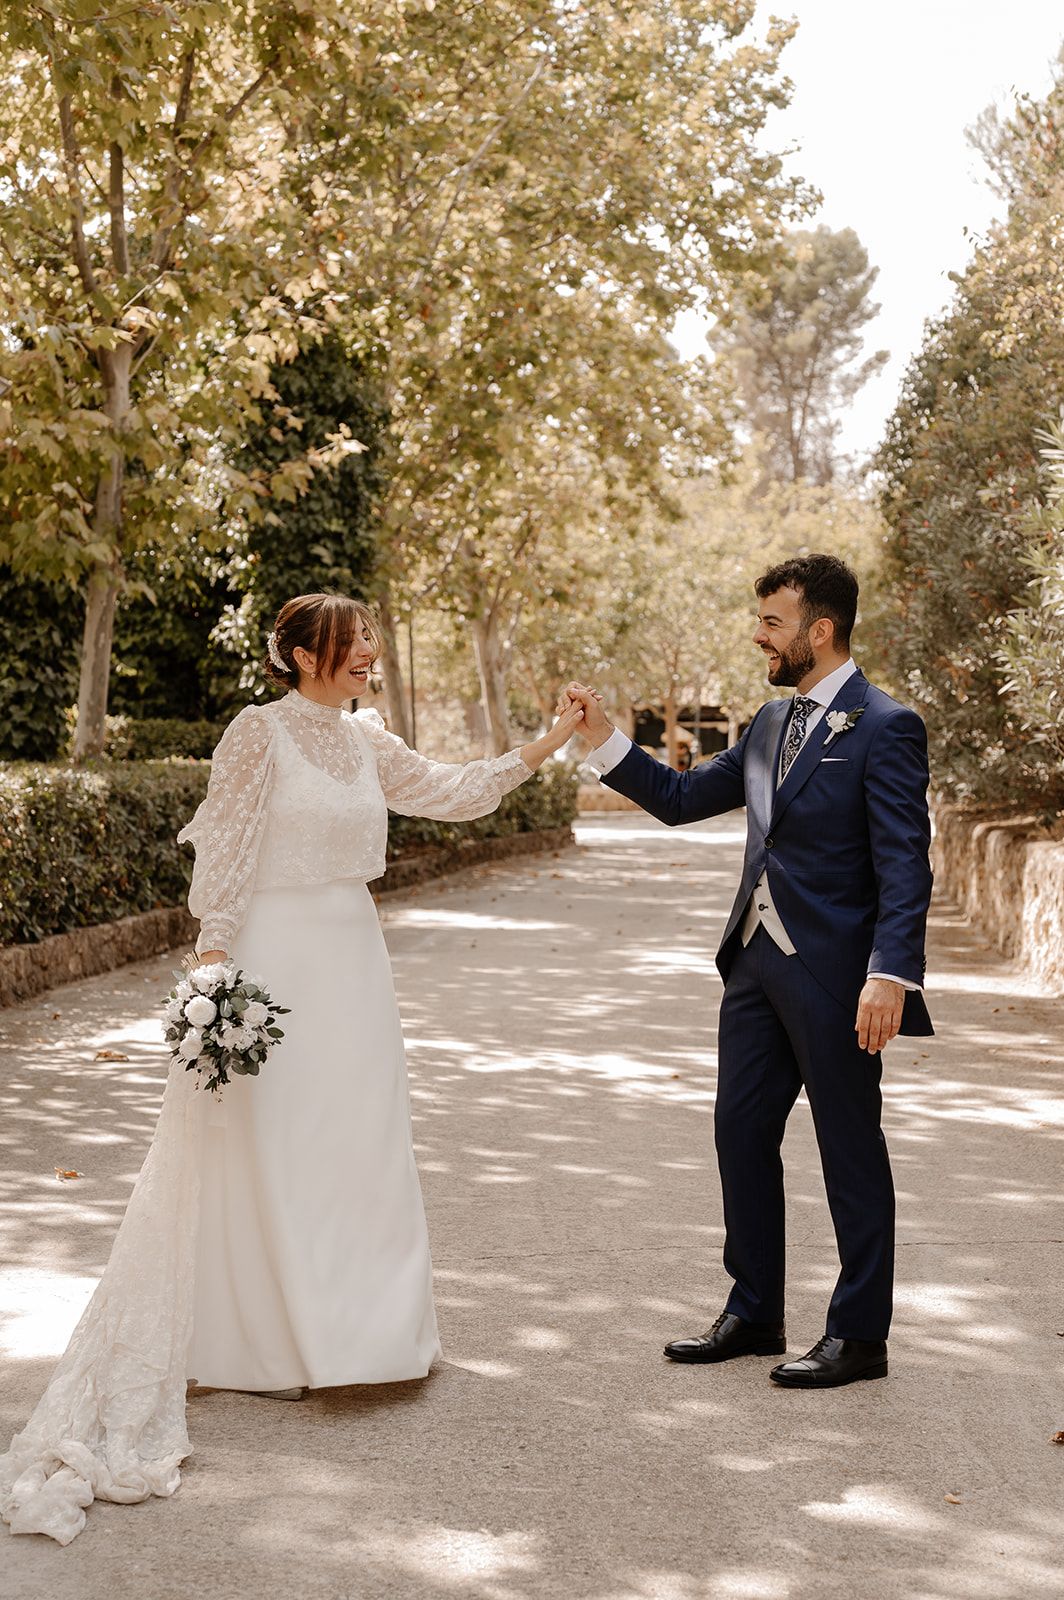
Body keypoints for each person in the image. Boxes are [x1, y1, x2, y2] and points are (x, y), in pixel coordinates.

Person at [1, 592, 585, 1544]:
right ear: (305, 654)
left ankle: (369, 1336)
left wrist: (549, 739)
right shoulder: (255, 733)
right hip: (271, 957)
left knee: (358, 1142)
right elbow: (225, 850)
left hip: (352, 956)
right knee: (269, 1143)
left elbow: (450, 786)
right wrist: (213, 961)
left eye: (369, 644)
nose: (370, 657)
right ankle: (258, 1337)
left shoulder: (365, 740)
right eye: (355, 645)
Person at [563, 554, 933, 1389]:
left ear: (821, 630)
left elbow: (906, 862)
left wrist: (891, 973)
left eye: (773, 621)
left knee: (849, 1149)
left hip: (839, 978)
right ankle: (756, 1310)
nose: (758, 635)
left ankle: (859, 1337)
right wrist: (601, 740)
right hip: (755, 966)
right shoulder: (768, 726)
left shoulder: (885, 725)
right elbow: (681, 797)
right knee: (739, 1131)